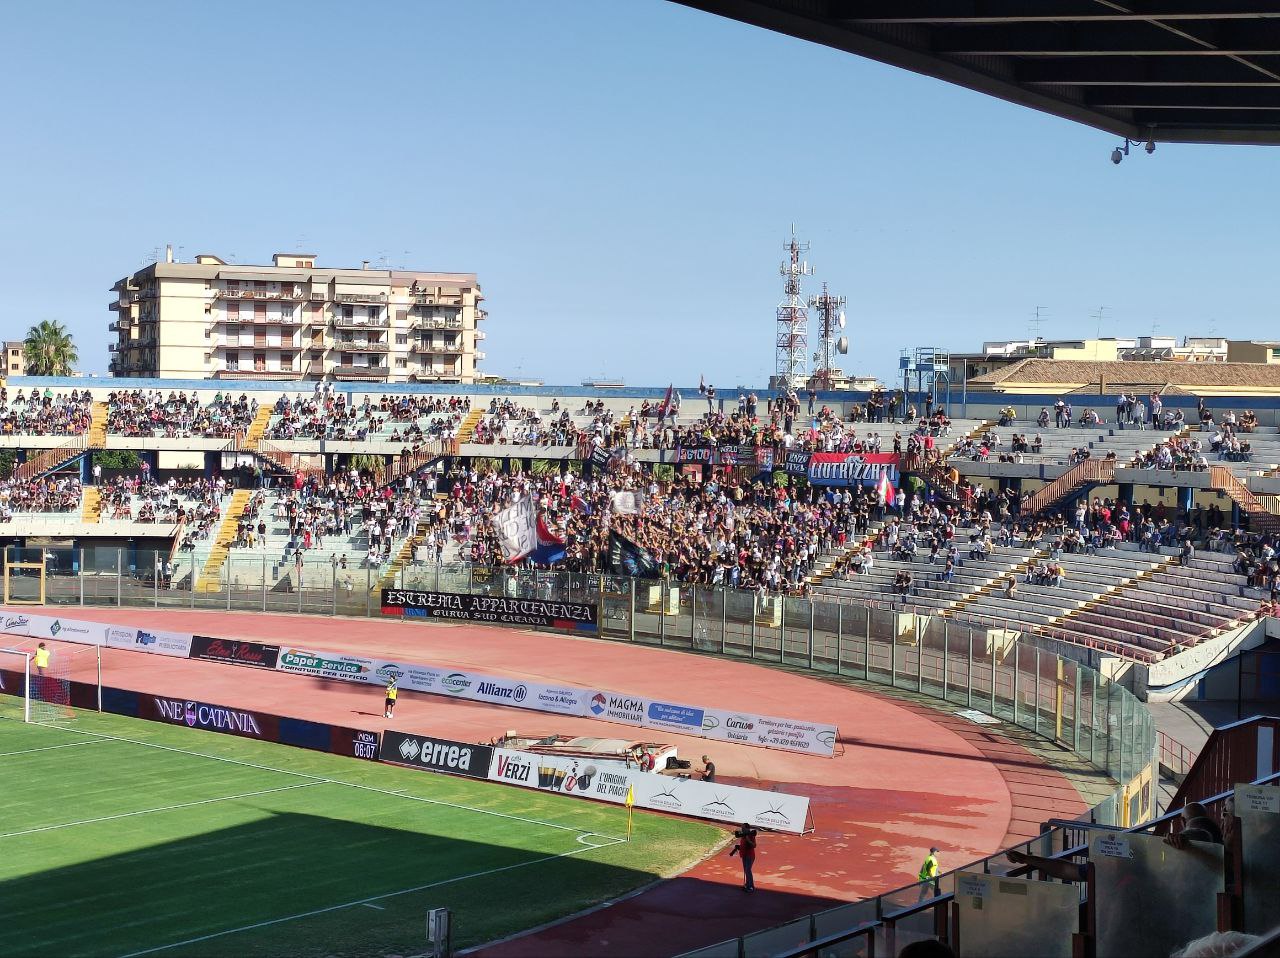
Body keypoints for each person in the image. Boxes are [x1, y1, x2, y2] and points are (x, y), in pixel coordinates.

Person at [729, 823, 757, 891]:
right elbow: (744, 845)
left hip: (750, 855)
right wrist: (738, 847)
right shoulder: (743, 835)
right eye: (742, 828)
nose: (742, 830)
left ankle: (751, 887)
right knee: (746, 870)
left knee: (748, 870)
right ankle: (747, 885)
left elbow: (754, 845)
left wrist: (748, 840)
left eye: (743, 828)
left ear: (747, 828)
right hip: (744, 855)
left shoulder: (751, 835)